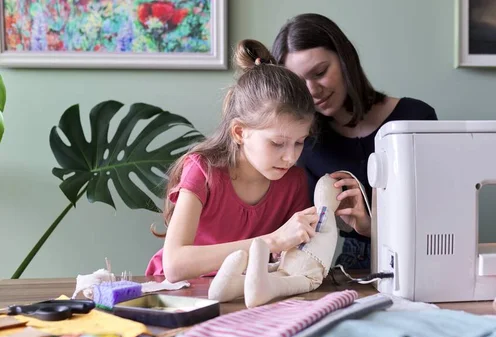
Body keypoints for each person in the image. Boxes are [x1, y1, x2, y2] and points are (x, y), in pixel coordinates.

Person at [272, 13, 438, 270]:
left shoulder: (415, 119)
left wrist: (372, 227)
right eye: (298, 83)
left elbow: (437, 221)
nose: (312, 91)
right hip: (341, 271)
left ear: (345, 58)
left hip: (419, 263)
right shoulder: (304, 142)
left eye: (320, 72)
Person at [146, 39, 319, 283]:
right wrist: (272, 241)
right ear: (239, 132)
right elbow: (174, 265)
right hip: (179, 292)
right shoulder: (203, 170)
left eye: (299, 142)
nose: (290, 157)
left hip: (243, 293)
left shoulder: (294, 182)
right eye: (277, 143)